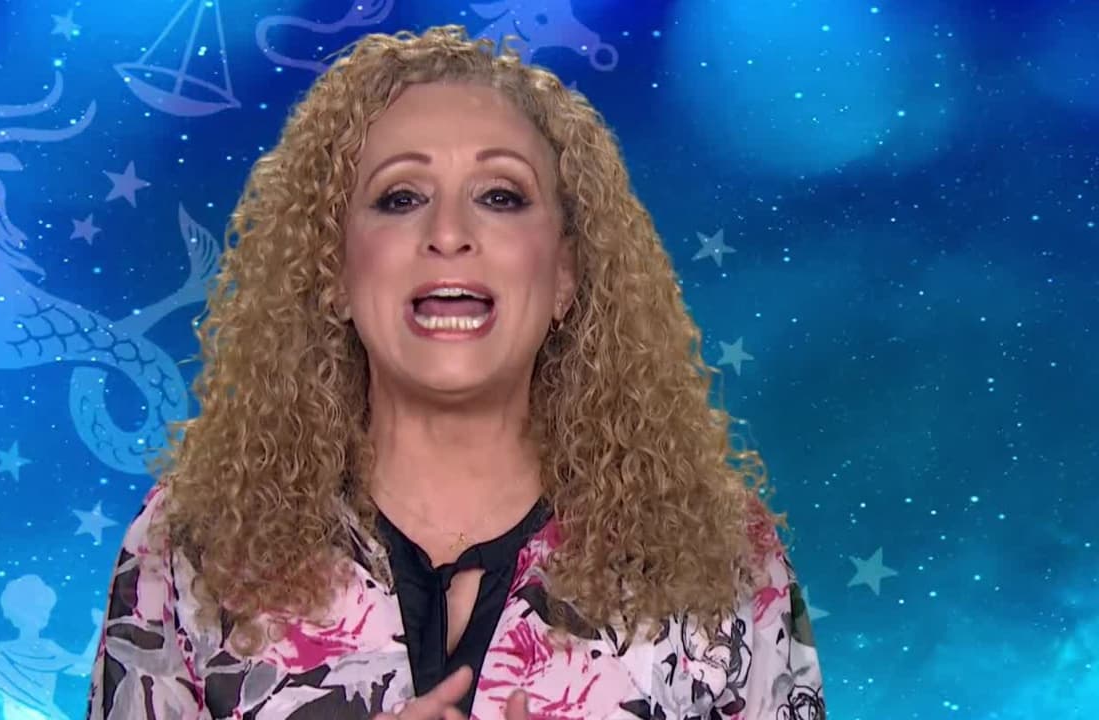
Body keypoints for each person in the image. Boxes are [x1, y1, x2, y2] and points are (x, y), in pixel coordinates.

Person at [86, 24, 827, 720]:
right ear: (333, 271)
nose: (447, 233)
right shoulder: (192, 546)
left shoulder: (724, 558)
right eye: (400, 198)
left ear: (566, 274)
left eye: (500, 196)